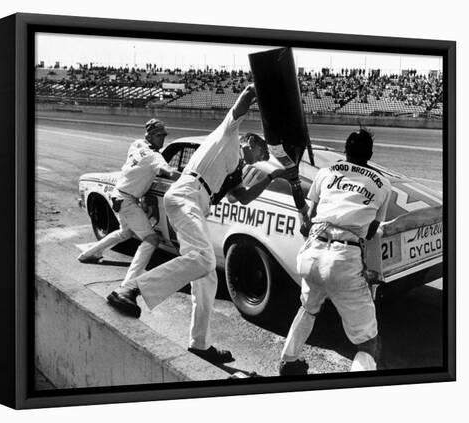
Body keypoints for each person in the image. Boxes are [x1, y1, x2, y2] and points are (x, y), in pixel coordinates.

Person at [106, 84, 295, 364]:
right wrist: (265, 92)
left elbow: (242, 198)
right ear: (251, 143)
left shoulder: (235, 171)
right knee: (205, 260)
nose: (260, 160)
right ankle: (132, 289)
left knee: (207, 276)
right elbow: (246, 94)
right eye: (261, 154)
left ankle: (199, 343)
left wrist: (271, 177)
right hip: (187, 194)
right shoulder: (228, 135)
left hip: (195, 203)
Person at [278, 128, 392, 375]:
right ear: (370, 154)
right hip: (343, 258)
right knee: (368, 342)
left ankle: (289, 361)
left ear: (345, 151)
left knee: (308, 308)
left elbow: (307, 221)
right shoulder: (383, 183)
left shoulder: (325, 173)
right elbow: (371, 231)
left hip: (311, 253)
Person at [78, 118, 179, 287]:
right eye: (160, 135)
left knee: (125, 233)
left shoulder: (137, 144)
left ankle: (88, 254)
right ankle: (129, 283)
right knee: (151, 239)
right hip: (127, 200)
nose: (163, 139)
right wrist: (190, 178)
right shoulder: (155, 157)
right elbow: (167, 171)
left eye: (164, 135)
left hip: (119, 195)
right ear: (152, 136)